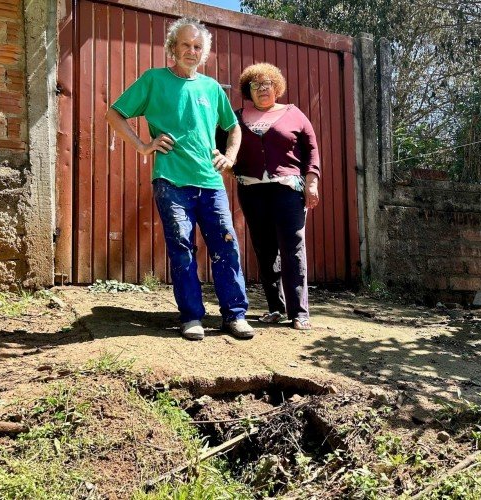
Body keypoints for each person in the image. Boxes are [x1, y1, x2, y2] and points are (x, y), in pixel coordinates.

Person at [105, 18, 254, 341]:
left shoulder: (212, 88)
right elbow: (114, 114)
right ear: (172, 48)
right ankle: (191, 317)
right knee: (182, 248)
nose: (191, 51)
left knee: (226, 245)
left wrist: (229, 157)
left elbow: (234, 127)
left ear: (205, 53)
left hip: (210, 183)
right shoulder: (154, 80)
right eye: (185, 45)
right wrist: (144, 146)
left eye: (198, 47)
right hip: (170, 181)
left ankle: (235, 315)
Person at [232, 63, 321, 331]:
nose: (262, 89)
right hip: (251, 189)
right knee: (264, 247)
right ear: (248, 90)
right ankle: (275, 307)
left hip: (287, 189)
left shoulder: (294, 114)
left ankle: (299, 311)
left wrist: (312, 182)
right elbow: (222, 147)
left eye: (267, 84)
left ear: (277, 87)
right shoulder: (236, 117)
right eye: (255, 85)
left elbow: (312, 151)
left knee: (292, 247)